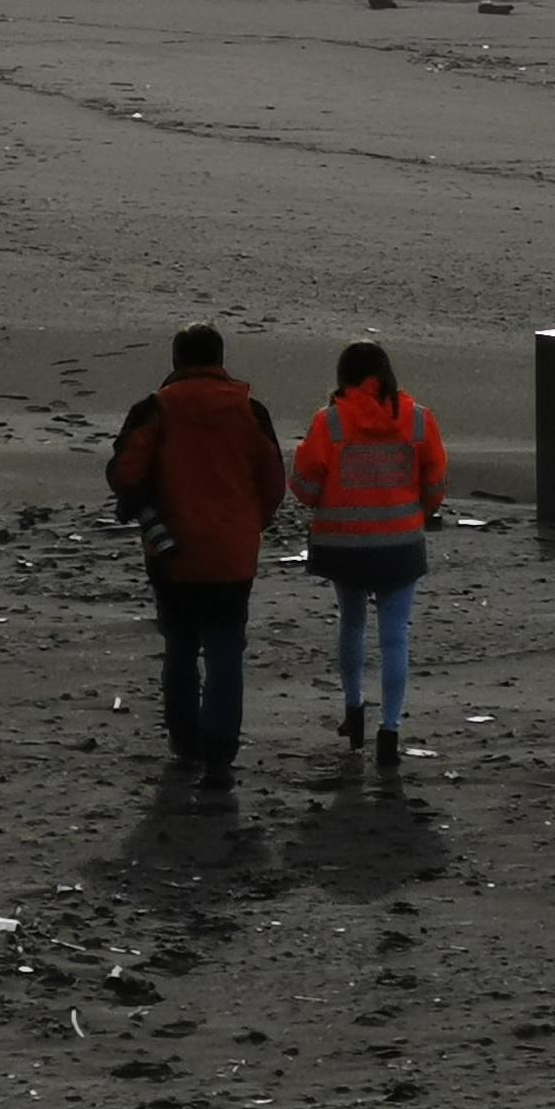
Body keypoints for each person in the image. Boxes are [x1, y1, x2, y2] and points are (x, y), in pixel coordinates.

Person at [105, 324, 287, 794]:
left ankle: (185, 744)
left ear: (176, 359)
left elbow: (124, 472)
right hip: (231, 551)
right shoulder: (250, 410)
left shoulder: (156, 410)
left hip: (173, 550)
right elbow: (272, 483)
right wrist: (251, 525)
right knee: (227, 651)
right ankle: (220, 756)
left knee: (181, 647)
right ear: (220, 358)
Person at [290, 341, 449, 776]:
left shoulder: (331, 422)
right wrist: (421, 509)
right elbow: (435, 483)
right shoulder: (418, 419)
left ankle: (353, 709)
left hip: (346, 545)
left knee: (352, 622)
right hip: (399, 543)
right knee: (395, 636)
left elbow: (304, 485)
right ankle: (390, 730)